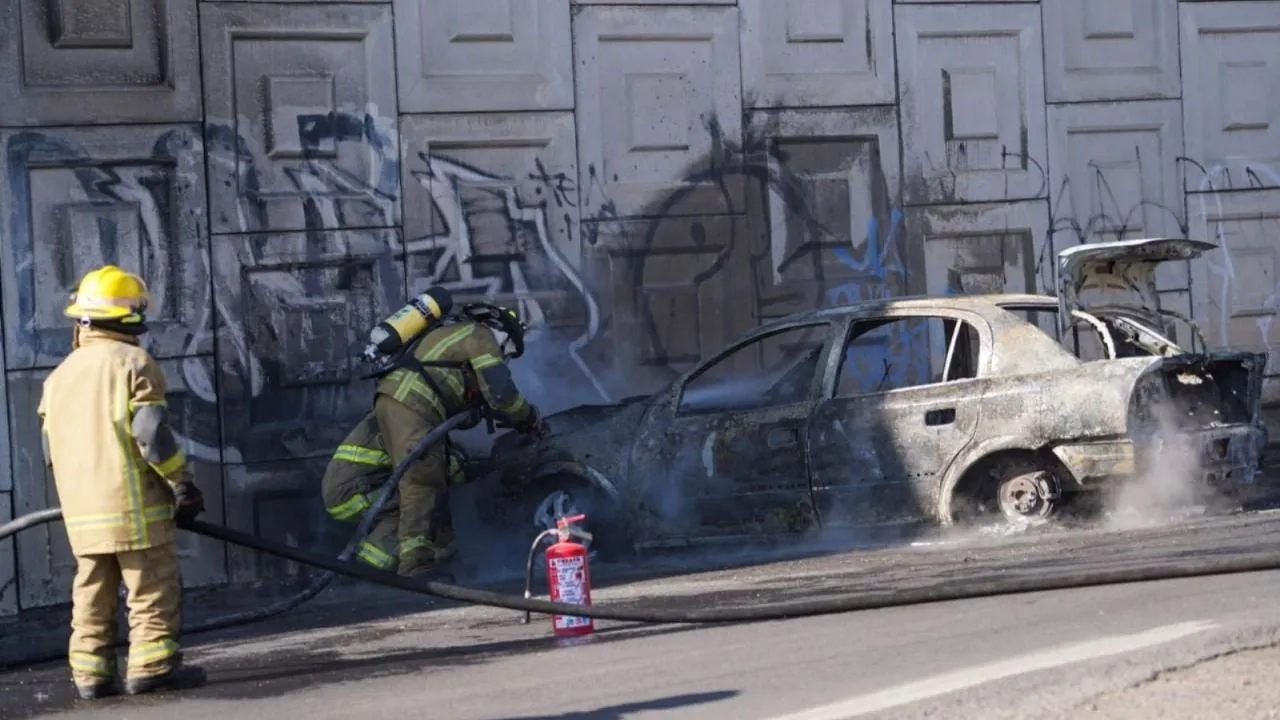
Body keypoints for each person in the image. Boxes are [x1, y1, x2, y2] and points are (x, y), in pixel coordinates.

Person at [37, 265, 208, 699]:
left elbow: (49, 451)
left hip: (83, 516)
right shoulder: (134, 363)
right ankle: (152, 667)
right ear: (132, 319)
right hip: (135, 510)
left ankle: (91, 676)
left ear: (82, 320)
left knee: (91, 596)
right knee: (150, 588)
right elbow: (151, 433)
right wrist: (181, 483)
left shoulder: (58, 377)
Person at [330, 302, 546, 578]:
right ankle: (416, 566)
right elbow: (502, 395)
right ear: (505, 333)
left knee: (436, 474)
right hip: (415, 404)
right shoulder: (481, 335)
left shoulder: (454, 334)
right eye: (509, 352)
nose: (504, 357)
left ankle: (375, 567)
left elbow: (474, 400)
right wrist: (530, 417)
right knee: (421, 480)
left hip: (402, 401)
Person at [320, 412, 469, 572]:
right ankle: (375, 563)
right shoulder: (413, 426)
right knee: (420, 501)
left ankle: (372, 563)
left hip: (347, 490)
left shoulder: (401, 411)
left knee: (419, 497)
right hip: (352, 494)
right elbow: (424, 476)